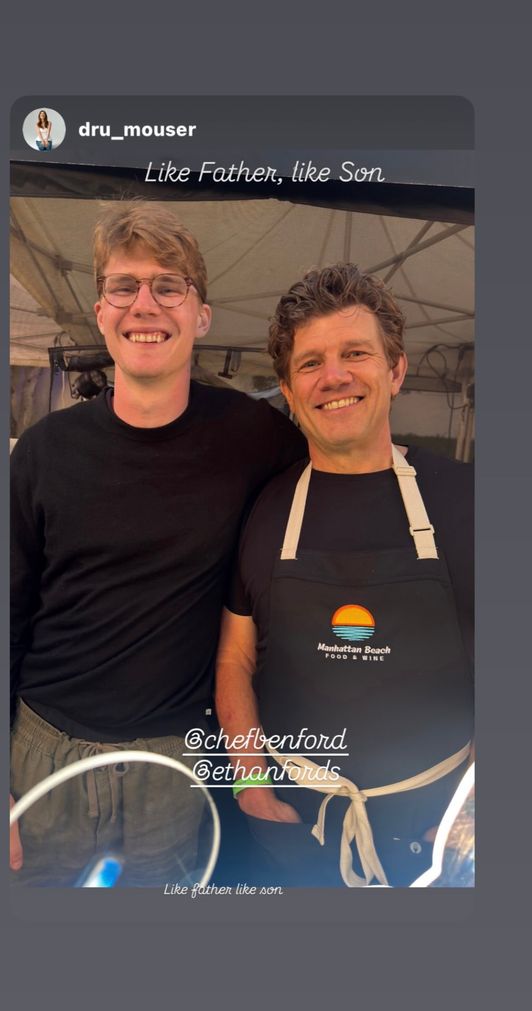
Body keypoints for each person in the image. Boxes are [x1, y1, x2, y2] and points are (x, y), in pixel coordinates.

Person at [10, 202, 306, 885]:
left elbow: (336, 468)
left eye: (168, 286)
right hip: (41, 754)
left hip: (173, 767)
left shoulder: (253, 436)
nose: (146, 304)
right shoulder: (44, 450)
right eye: (125, 286)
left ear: (200, 316)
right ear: (101, 311)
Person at [216, 263, 474, 888]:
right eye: (310, 363)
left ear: (396, 370)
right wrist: (250, 785)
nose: (334, 376)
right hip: (293, 829)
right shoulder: (268, 507)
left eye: (355, 353)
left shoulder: (467, 500)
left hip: (438, 837)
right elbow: (234, 661)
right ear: (288, 387)